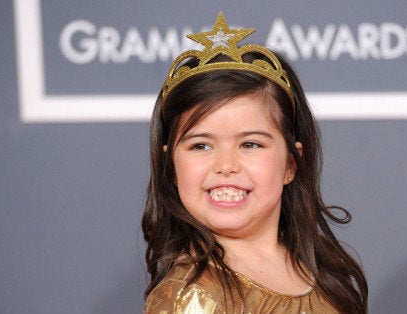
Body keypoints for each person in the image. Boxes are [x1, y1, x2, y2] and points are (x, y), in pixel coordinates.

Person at [142, 12, 367, 313]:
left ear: (291, 163)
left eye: (250, 144)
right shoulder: (189, 299)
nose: (225, 165)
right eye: (201, 145)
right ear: (170, 164)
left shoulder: (325, 274)